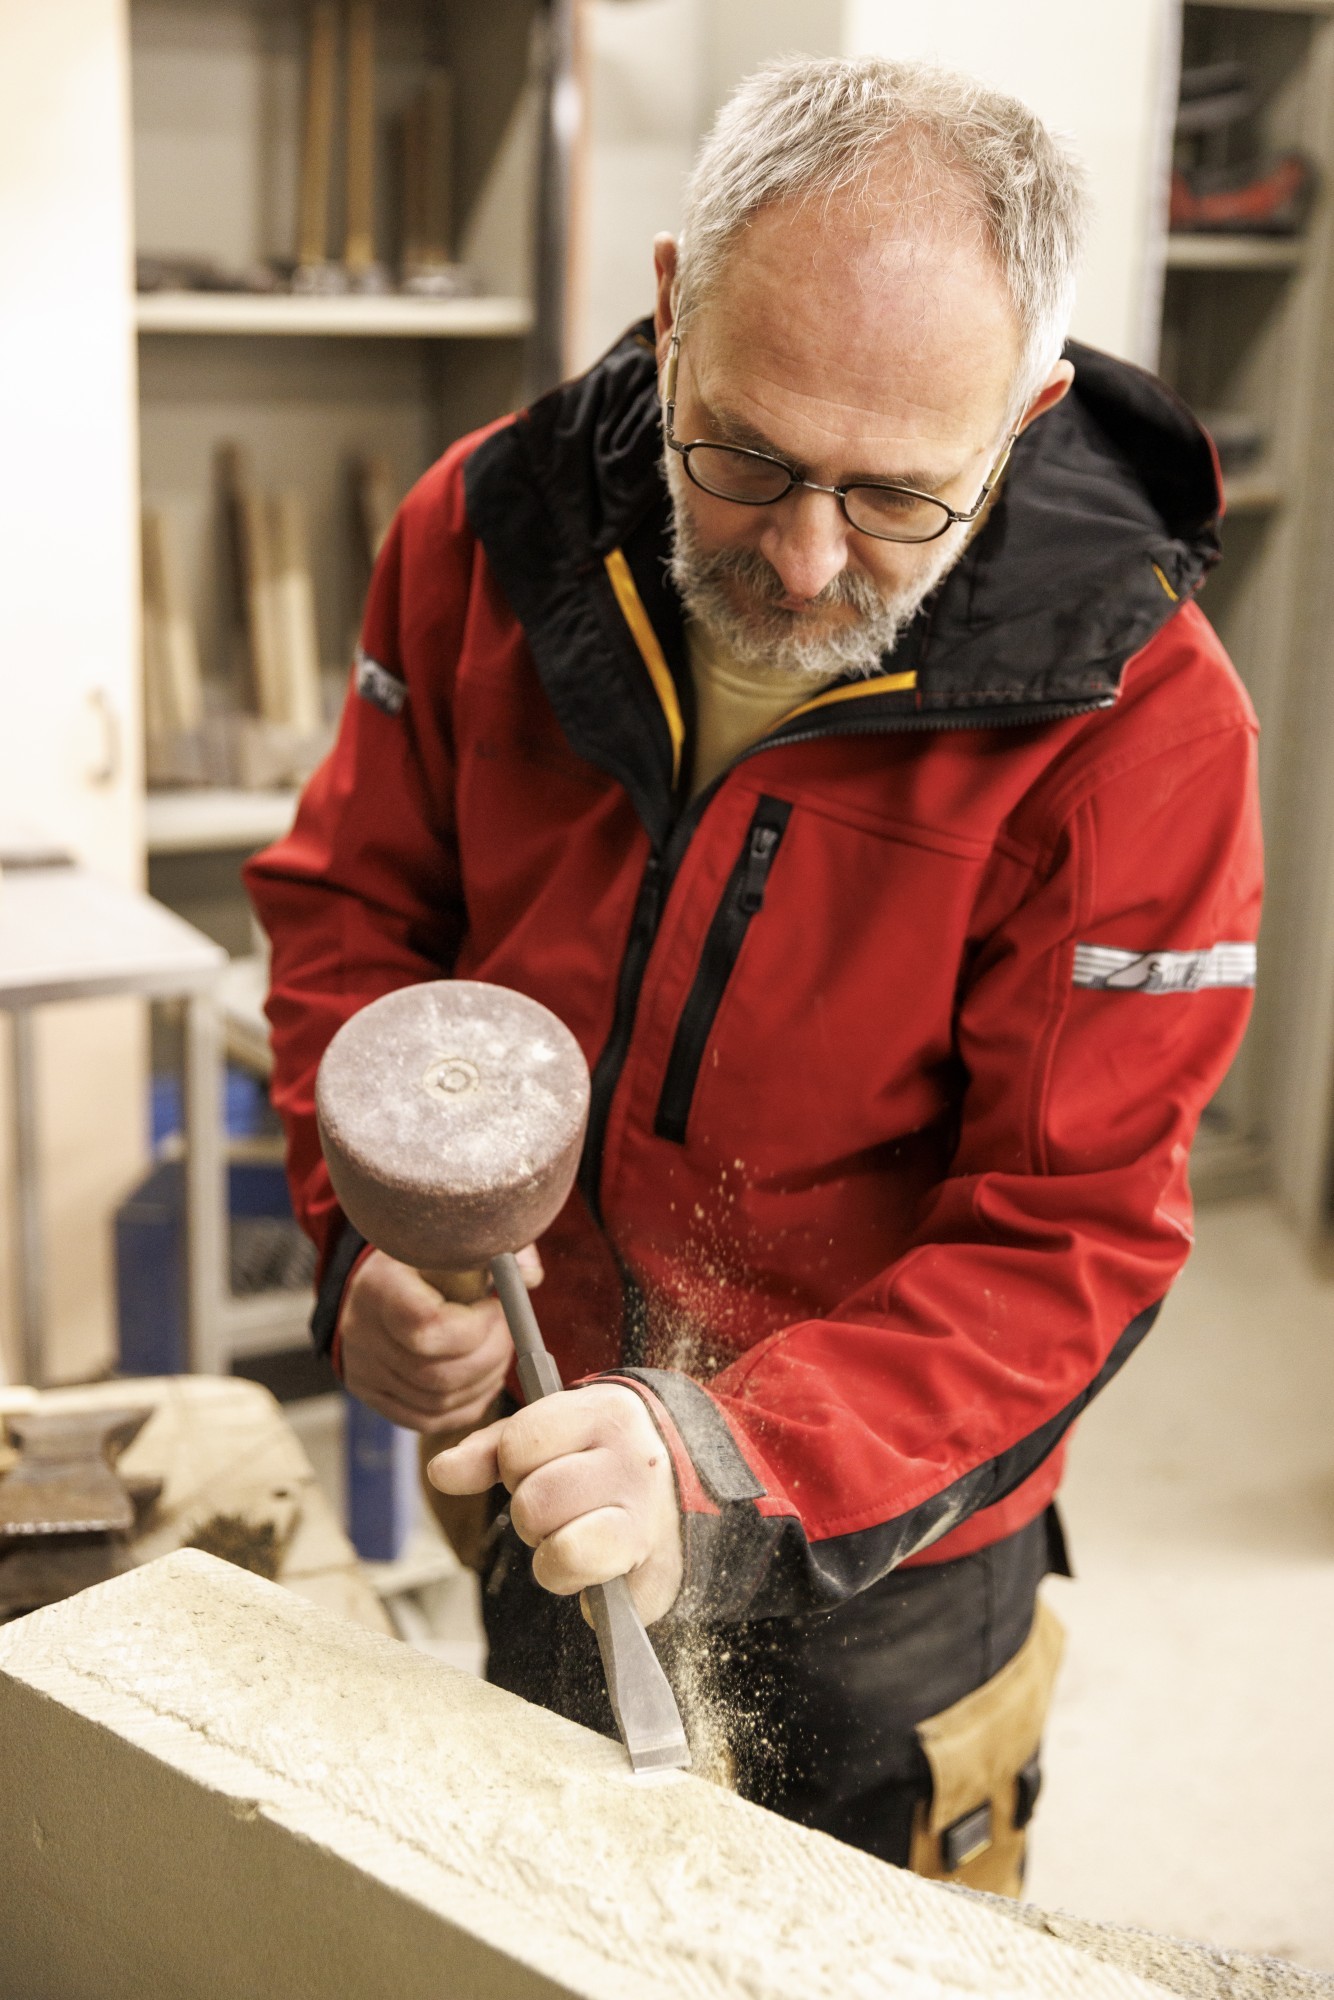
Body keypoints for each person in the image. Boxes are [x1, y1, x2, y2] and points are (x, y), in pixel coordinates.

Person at [246, 57, 1261, 1892]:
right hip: (532, 1460)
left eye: (896, 499)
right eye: (748, 457)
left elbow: (1074, 1236)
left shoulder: (1146, 725)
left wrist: (722, 1458)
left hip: (888, 1547)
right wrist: (366, 1240)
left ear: (1020, 417)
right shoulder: (483, 533)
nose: (802, 562)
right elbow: (352, 924)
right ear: (668, 305)